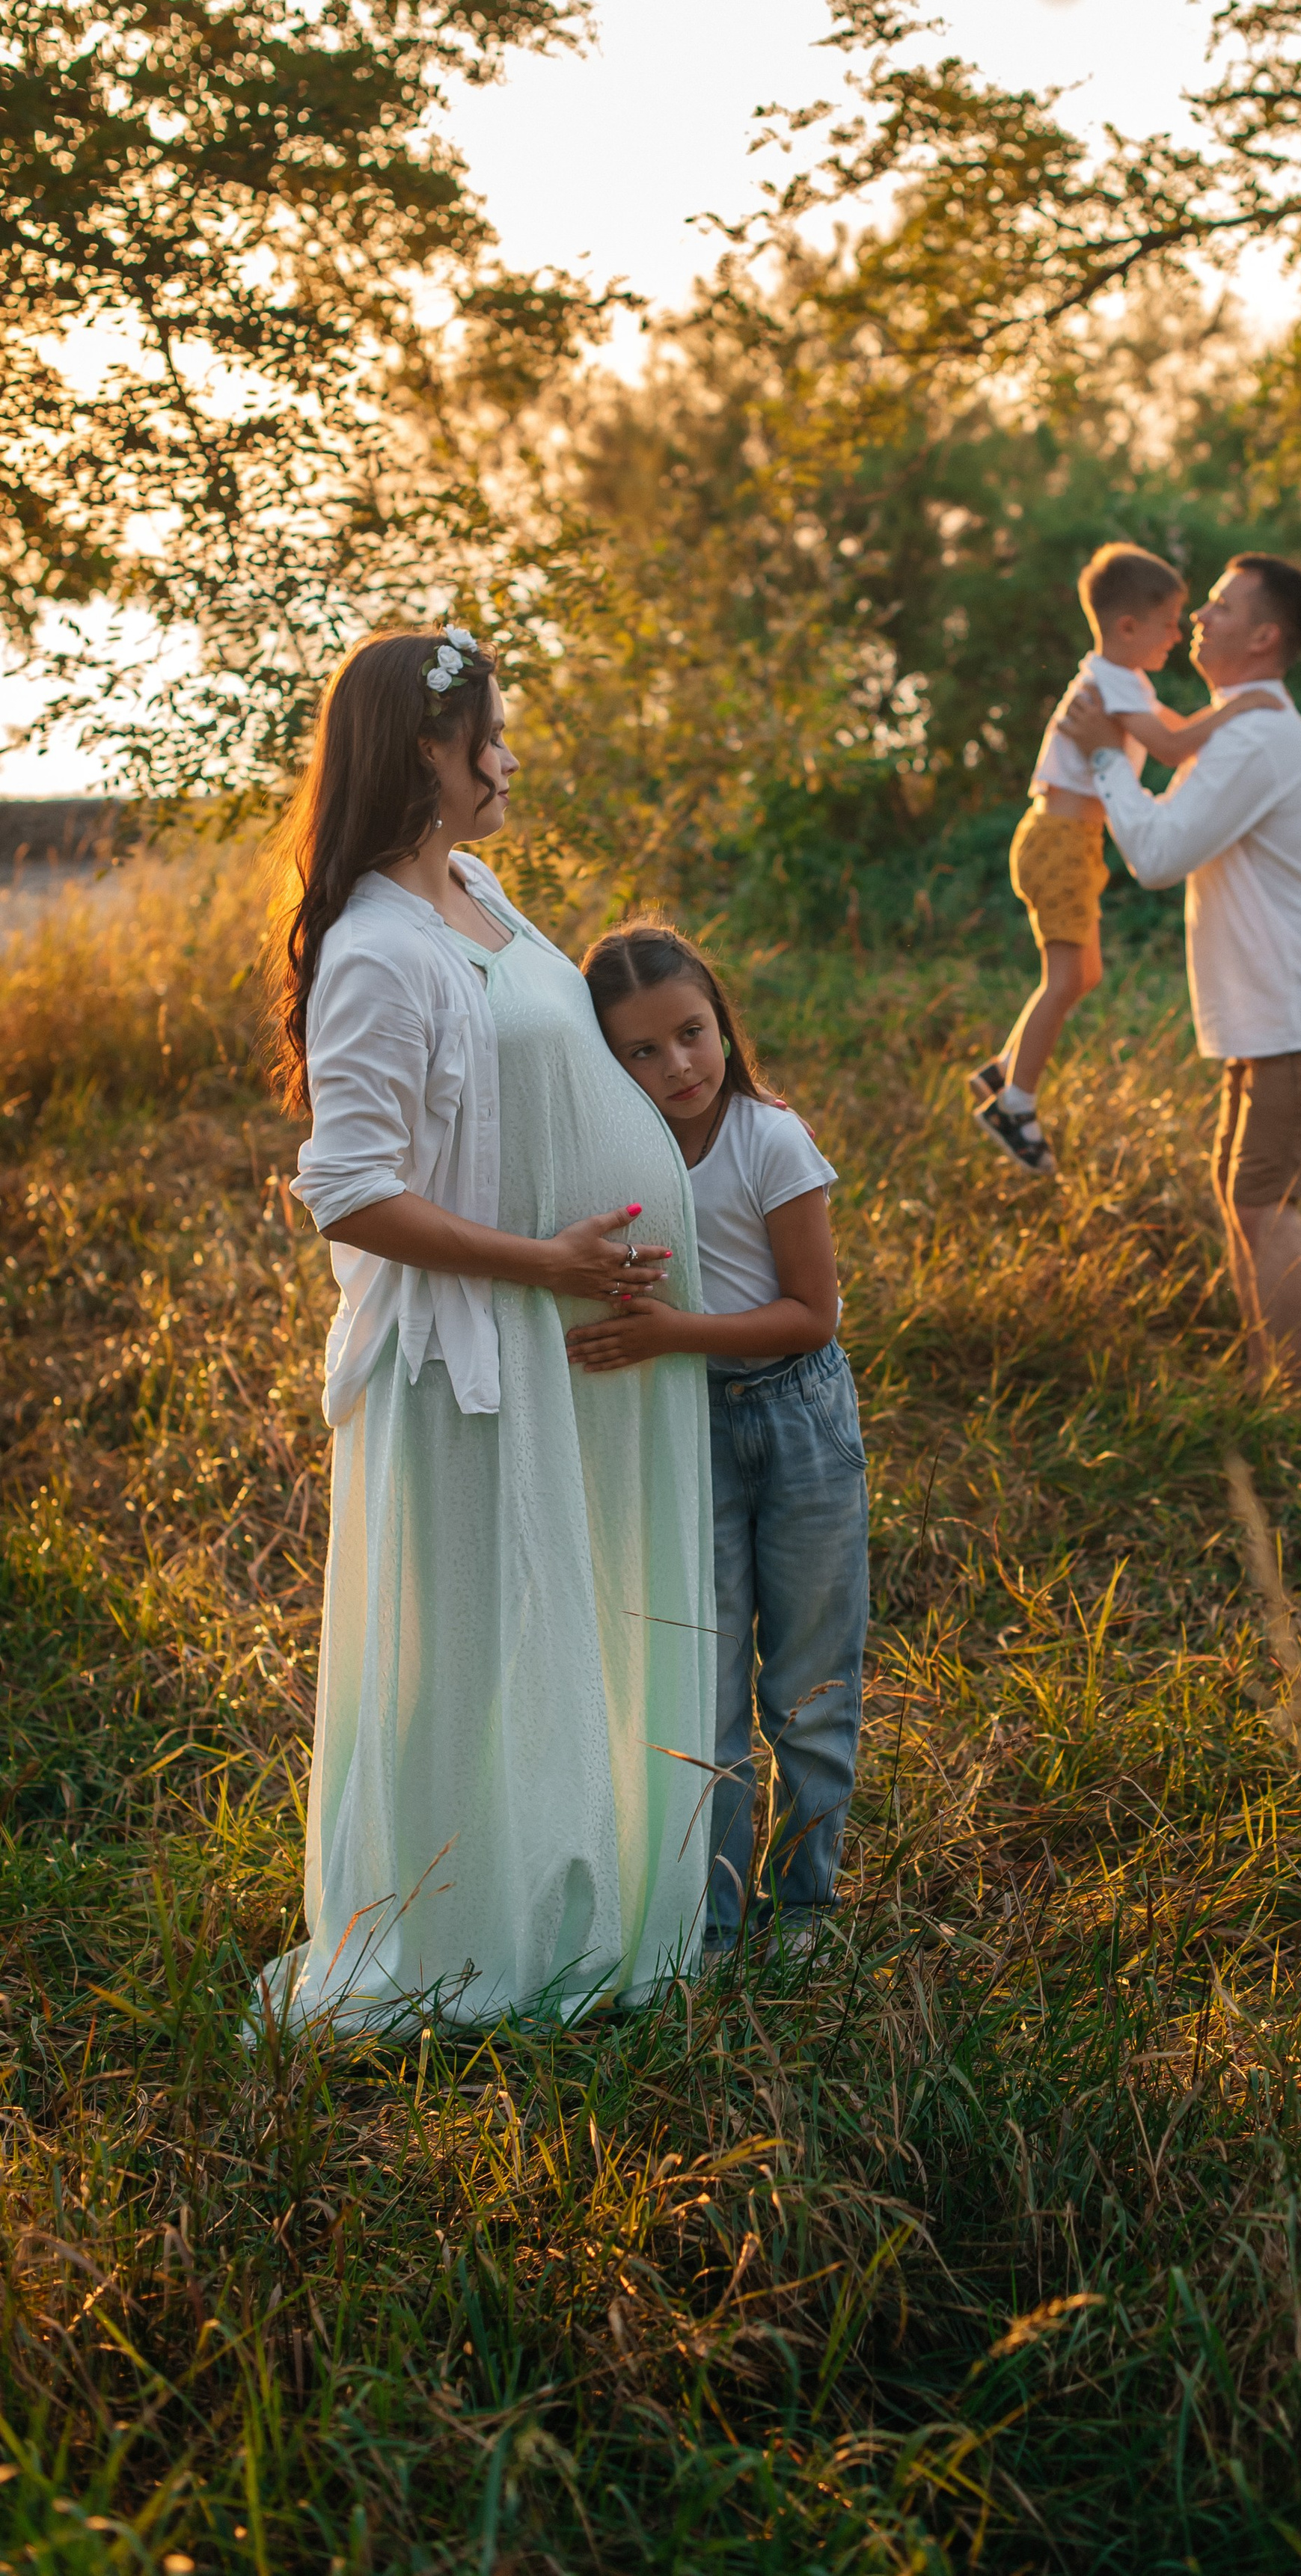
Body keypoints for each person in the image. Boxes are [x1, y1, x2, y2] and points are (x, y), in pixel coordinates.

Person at [260, 628, 715, 2033]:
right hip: (470, 1357)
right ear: (421, 753)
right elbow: (347, 1190)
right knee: (466, 1640)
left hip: (561, 1344)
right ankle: (457, 1934)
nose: (505, 761)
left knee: (555, 1616)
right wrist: (544, 1260)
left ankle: (573, 1891)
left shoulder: (480, 891)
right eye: (487, 739)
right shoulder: (375, 951)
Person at [571, 924, 868, 1958]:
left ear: (722, 1023)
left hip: (797, 1417)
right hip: (684, 1426)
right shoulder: (616, 1161)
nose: (677, 1066)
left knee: (809, 1678)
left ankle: (807, 1908)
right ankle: (716, 1917)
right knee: (699, 1681)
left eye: (691, 1033)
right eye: (640, 1052)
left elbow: (812, 1313)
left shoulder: (769, 1139)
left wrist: (671, 1335)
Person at [1060, 554, 1301, 1386]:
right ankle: (1261, 1371)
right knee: (1241, 1189)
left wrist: (1103, 756)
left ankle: (1285, 1390)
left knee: (1262, 1200)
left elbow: (1161, 853)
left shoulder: (1257, 736)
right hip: (1276, 1012)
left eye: (1220, 606)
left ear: (1265, 634)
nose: (1199, 616)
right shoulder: (1238, 724)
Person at [968, 542, 1285, 1177]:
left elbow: (1175, 734)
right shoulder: (1111, 682)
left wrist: (1220, 724)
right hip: (1059, 840)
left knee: (1082, 974)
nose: (1182, 632)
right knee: (1066, 977)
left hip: (1072, 841)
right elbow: (1171, 745)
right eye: (1170, 622)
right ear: (1128, 627)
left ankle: (1005, 1069)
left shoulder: (1126, 681)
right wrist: (1242, 706)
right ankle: (1015, 1105)